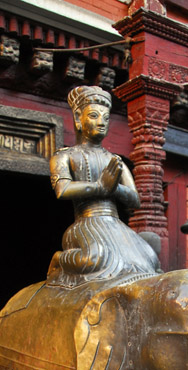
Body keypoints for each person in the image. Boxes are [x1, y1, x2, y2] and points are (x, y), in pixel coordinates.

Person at [47, 85, 160, 287]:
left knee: (150, 259)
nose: (101, 123)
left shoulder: (115, 161)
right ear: (77, 119)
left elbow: (135, 200)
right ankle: (60, 260)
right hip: (87, 223)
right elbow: (62, 190)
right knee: (96, 258)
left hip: (115, 225)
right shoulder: (64, 156)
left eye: (105, 119)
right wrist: (100, 186)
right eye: (93, 116)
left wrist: (114, 188)